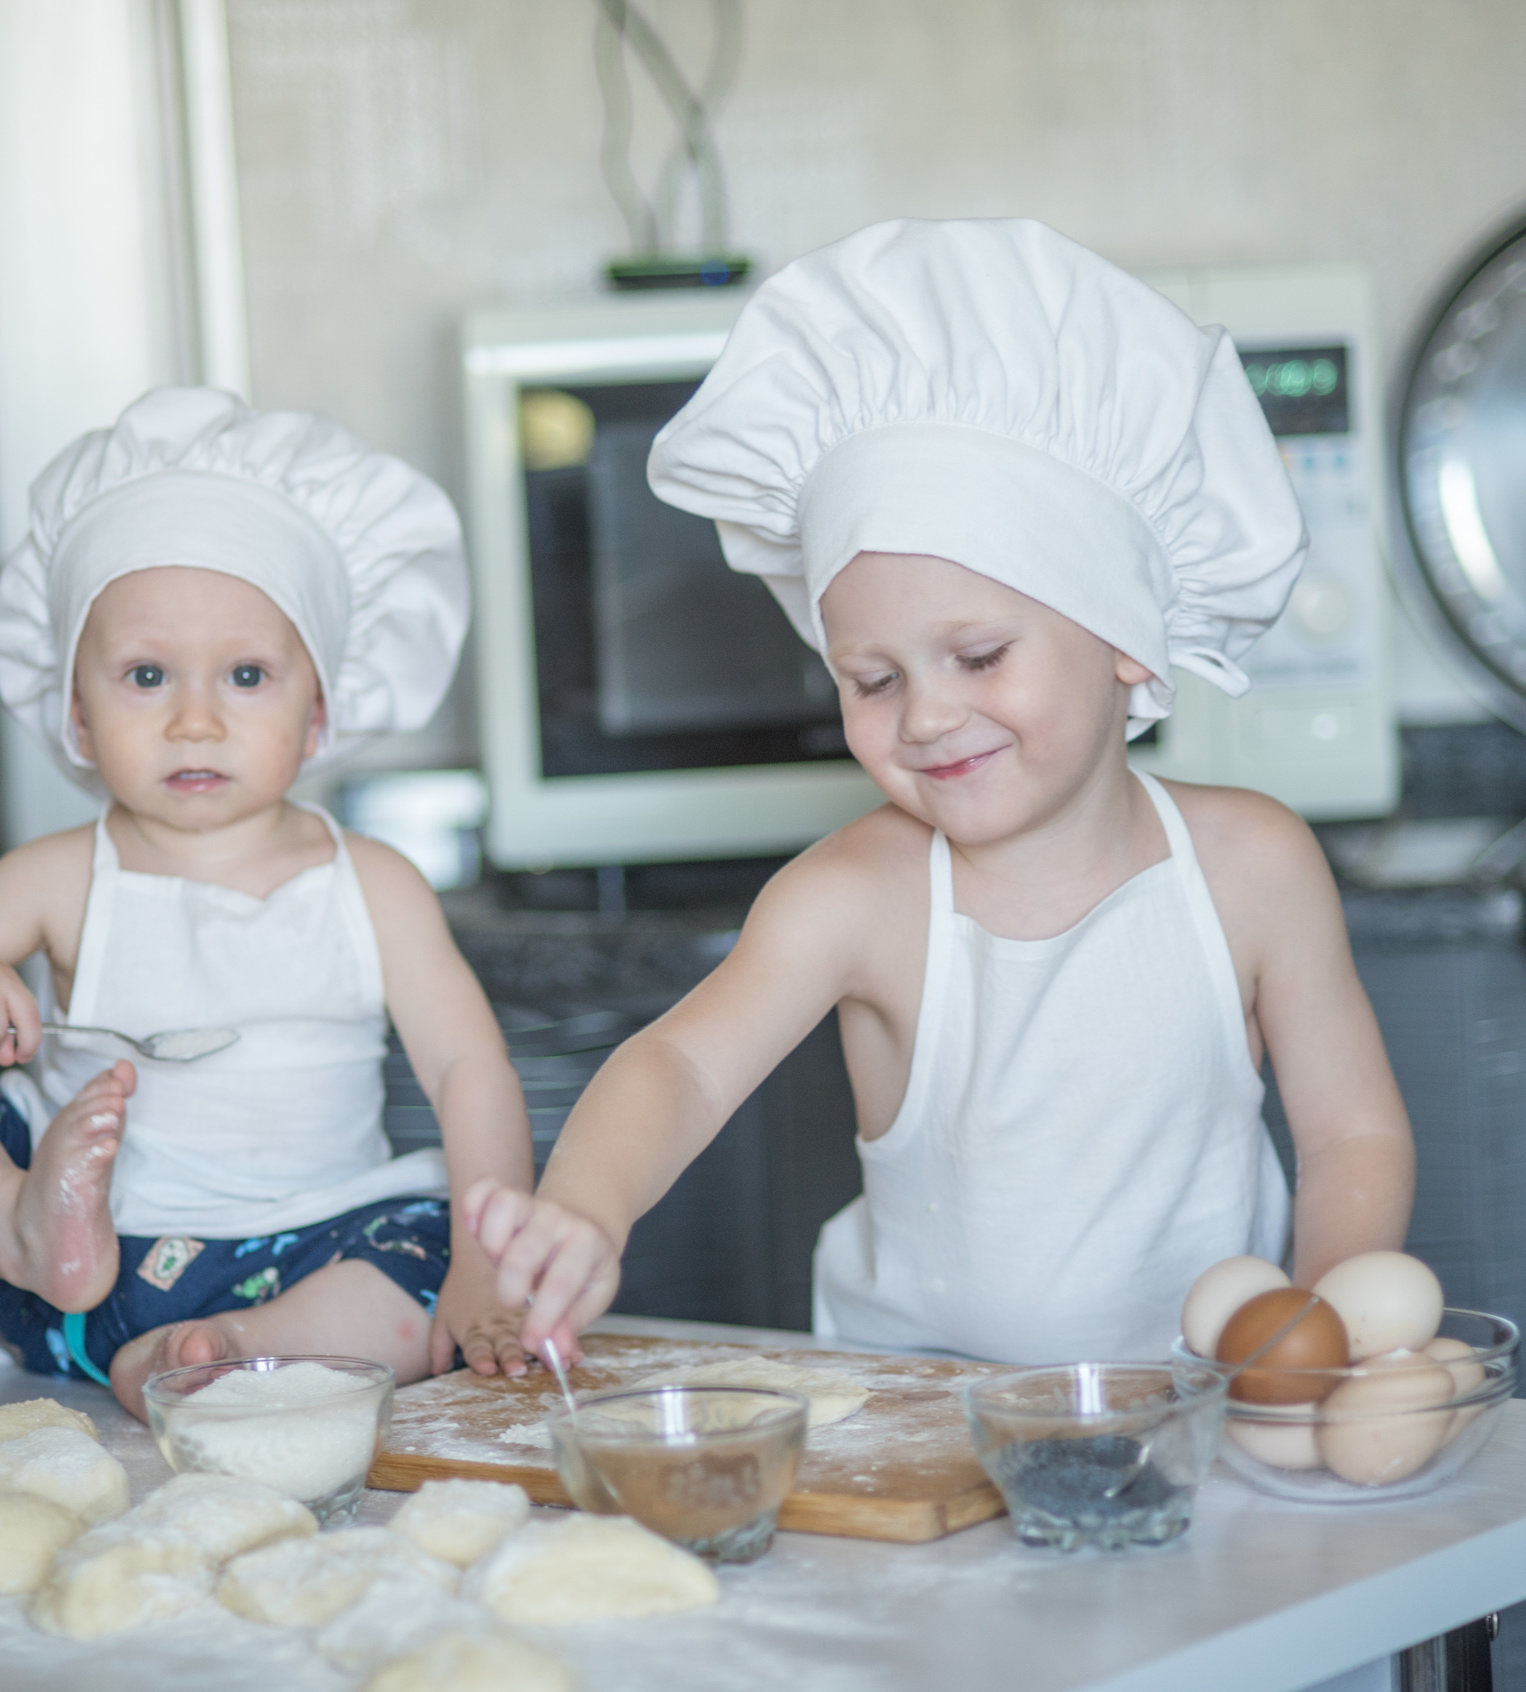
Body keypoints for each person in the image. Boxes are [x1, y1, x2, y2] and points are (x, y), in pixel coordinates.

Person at [467, 219, 1415, 1366]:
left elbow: (1351, 1132)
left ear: (1125, 635)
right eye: (872, 679)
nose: (922, 716)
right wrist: (587, 1206)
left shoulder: (1251, 865)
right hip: (917, 1435)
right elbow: (682, 1063)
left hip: (1210, 1421)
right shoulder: (860, 894)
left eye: (976, 657)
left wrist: (1312, 1333)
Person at [0, 388, 534, 1416]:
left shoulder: (373, 882)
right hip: (91, 1263)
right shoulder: (63, 873)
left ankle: (233, 1348)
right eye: (147, 675)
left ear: (320, 712)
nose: (195, 720)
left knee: (419, 1275)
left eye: (246, 675)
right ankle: (18, 1222)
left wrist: (486, 1262)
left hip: (317, 1247)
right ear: (76, 712)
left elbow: (470, 1069)